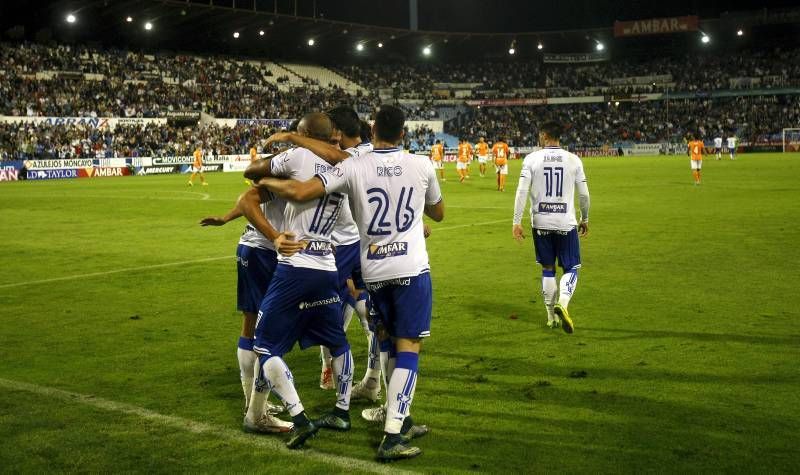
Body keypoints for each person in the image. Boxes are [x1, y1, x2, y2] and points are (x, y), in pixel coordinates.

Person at [256, 105, 444, 461]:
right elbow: (438, 212)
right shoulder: (422, 164)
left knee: (387, 342)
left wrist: (265, 179)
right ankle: (392, 435)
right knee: (409, 348)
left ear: (372, 130)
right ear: (404, 133)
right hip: (411, 268)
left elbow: (300, 193)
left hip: (372, 270)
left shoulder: (354, 165)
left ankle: (399, 420)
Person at [249, 112, 355, 450]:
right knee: (337, 341)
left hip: (296, 263)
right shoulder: (344, 166)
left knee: (264, 344)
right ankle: (343, 409)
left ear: (304, 133)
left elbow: (252, 174)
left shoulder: (297, 154)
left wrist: (267, 171)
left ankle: (300, 418)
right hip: (328, 264)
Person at [199, 187, 297, 434]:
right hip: (262, 252)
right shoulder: (290, 168)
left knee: (251, 324)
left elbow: (249, 200)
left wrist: (224, 218)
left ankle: (252, 404)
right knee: (269, 331)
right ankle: (256, 412)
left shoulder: (279, 168)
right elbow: (249, 199)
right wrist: (275, 236)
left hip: (251, 248)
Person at [512, 120, 589, 333]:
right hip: (565, 222)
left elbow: (521, 192)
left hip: (541, 223)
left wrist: (516, 222)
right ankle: (562, 305)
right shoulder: (573, 160)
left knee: (547, 268)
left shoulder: (531, 159)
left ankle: (550, 318)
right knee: (571, 267)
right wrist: (586, 218)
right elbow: (584, 194)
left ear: (544, 136)